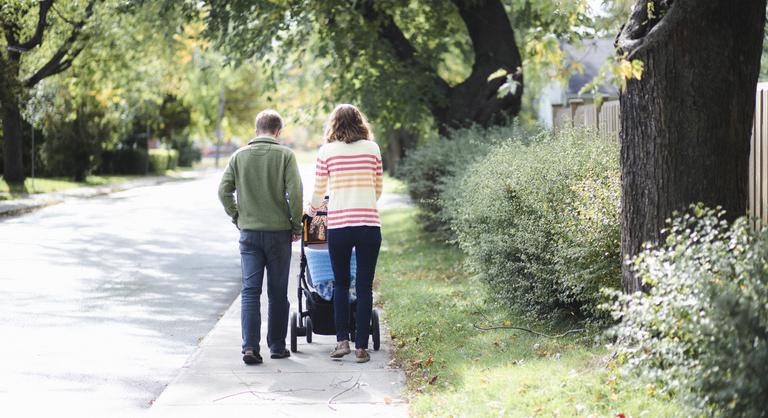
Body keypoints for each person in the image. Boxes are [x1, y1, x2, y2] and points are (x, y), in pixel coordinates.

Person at [218, 109, 303, 365]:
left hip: (250, 235)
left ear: (257, 130)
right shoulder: (286, 155)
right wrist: (296, 225)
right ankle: (277, 346)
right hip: (279, 235)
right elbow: (295, 194)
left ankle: (250, 349)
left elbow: (224, 191)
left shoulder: (238, 156)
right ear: (278, 132)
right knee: (277, 292)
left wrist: (237, 217)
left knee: (250, 291)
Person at [307, 104, 383, 363]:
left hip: (339, 225)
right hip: (369, 225)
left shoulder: (326, 151)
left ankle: (342, 342)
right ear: (360, 122)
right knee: (363, 286)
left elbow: (319, 191)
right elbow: (378, 188)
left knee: (340, 283)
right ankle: (362, 347)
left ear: (334, 124)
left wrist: (311, 211)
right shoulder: (372, 149)